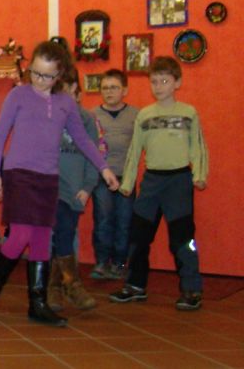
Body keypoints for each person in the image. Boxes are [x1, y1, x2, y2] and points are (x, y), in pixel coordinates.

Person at [0, 41, 118, 327]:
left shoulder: (66, 103)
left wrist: (103, 168)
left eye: (47, 76)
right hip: (19, 173)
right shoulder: (18, 95)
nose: (40, 80)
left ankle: (38, 304)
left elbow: (82, 139)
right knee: (20, 236)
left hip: (48, 178)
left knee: (42, 238)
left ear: (59, 75)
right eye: (36, 73)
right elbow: (0, 133)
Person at [110, 56, 208, 311]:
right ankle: (135, 285)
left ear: (177, 83)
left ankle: (191, 289)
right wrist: (128, 182)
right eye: (154, 81)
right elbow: (134, 151)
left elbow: (197, 146)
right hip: (152, 182)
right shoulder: (145, 115)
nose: (158, 86)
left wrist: (199, 174)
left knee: (182, 239)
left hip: (178, 181)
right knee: (138, 236)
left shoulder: (188, 113)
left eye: (164, 81)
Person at [47, 69, 99, 312]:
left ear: (76, 89)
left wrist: (88, 186)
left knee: (64, 233)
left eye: (68, 88)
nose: (63, 93)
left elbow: (93, 154)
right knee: (63, 232)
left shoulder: (86, 119)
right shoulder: (47, 115)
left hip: (74, 188)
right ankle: (70, 285)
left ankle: (57, 286)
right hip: (50, 186)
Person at [90, 69, 139, 280]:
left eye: (114, 87)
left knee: (124, 221)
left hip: (126, 177)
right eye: (105, 88)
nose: (109, 92)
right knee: (103, 219)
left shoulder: (136, 115)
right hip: (101, 177)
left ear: (124, 90)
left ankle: (120, 263)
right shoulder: (92, 115)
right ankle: (102, 262)